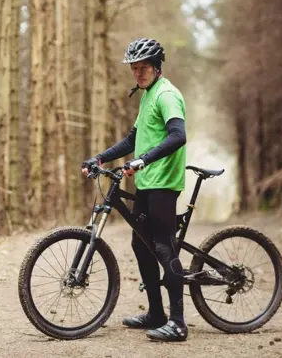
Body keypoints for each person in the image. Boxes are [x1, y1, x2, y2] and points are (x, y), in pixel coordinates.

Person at [81, 38, 188, 342]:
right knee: (141, 244)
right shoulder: (147, 95)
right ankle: (156, 313)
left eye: (143, 68)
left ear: (156, 67)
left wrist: (143, 160)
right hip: (146, 181)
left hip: (164, 182)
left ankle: (178, 323)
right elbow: (133, 139)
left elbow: (178, 136)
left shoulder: (166, 95)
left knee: (164, 245)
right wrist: (100, 157)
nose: (138, 73)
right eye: (134, 68)